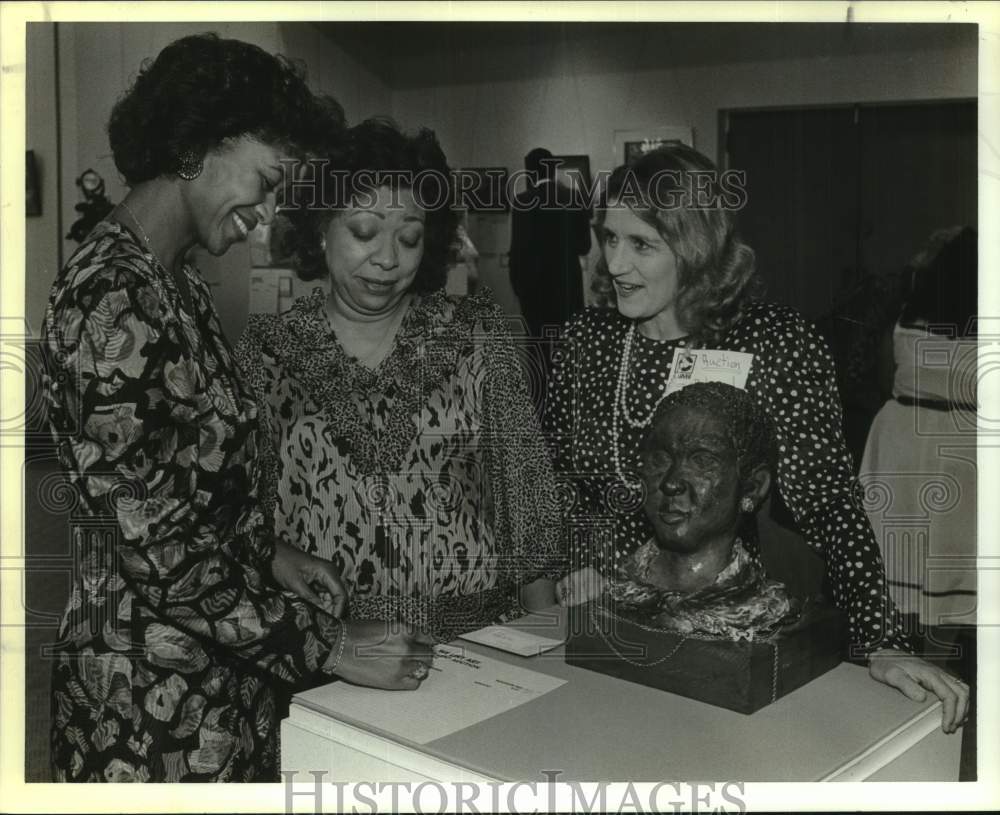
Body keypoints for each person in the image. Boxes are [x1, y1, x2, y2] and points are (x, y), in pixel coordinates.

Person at [40, 35, 433, 784]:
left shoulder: (172, 281)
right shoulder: (109, 297)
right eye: (267, 181)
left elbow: (184, 491)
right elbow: (159, 556)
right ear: (198, 148)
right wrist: (333, 643)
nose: (268, 213)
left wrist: (271, 554)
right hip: (144, 713)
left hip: (215, 683)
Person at [546, 143, 969, 731]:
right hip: (611, 620)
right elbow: (562, 481)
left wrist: (879, 639)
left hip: (725, 626)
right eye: (608, 237)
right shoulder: (587, 342)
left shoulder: (773, 342)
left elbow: (830, 505)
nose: (614, 264)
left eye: (641, 244)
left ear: (695, 247)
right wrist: (583, 561)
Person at [236, 118, 562, 644]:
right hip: (328, 647)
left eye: (408, 238)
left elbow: (527, 509)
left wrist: (545, 645)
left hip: (470, 643)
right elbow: (240, 522)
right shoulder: (269, 353)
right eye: (364, 232)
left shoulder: (476, 338)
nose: (387, 260)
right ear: (322, 228)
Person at [858, 227, 978, 762]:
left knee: (907, 566)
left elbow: (886, 377)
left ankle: (917, 673)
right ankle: (948, 678)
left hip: (902, 436)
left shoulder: (909, 316)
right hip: (960, 445)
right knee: (951, 572)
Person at [610, 382, 800, 643]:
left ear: (753, 488)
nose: (671, 482)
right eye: (660, 458)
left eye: (702, 461)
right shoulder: (616, 592)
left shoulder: (756, 612)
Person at [508, 147, 592, 384]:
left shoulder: (523, 201)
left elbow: (518, 251)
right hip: (567, 290)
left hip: (534, 294)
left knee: (538, 356)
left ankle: (541, 412)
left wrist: (519, 289)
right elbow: (584, 245)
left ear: (530, 172)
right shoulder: (574, 197)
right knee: (569, 354)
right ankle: (569, 406)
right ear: (554, 170)